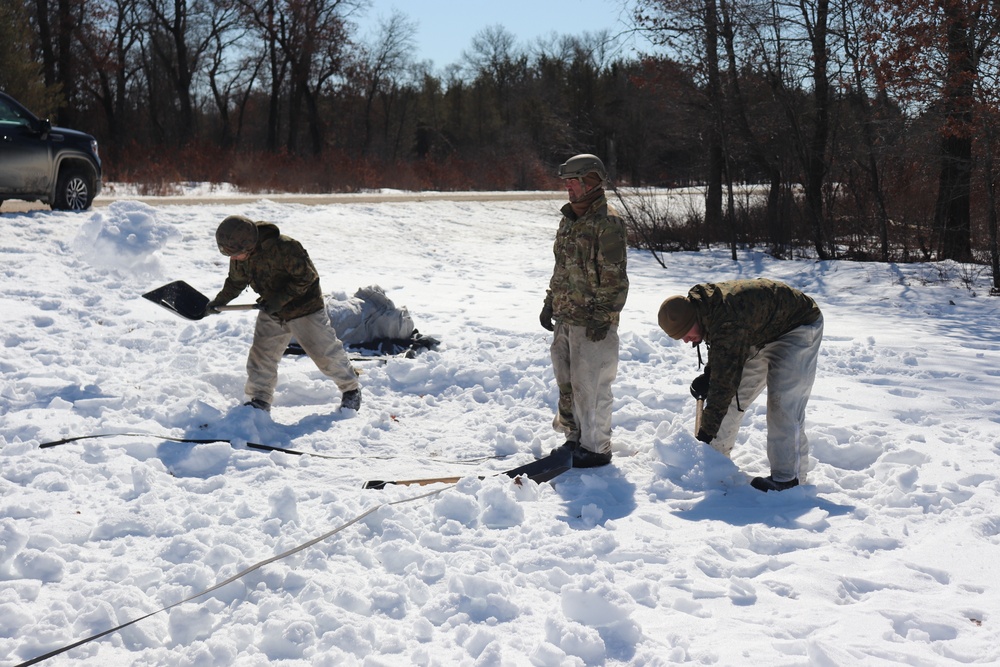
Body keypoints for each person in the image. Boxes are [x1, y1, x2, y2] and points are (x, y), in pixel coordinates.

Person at [657, 278, 823, 492]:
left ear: (694, 319)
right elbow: (724, 354)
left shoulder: (727, 321)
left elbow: (724, 382)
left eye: (686, 333)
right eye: (680, 338)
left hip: (798, 326)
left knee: (783, 404)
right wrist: (710, 375)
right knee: (736, 398)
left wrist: (705, 433)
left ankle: (788, 480)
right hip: (759, 331)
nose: (686, 341)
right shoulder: (707, 311)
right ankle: (714, 462)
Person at [205, 215, 361, 413]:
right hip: (272, 311)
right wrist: (219, 302)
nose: (232, 258)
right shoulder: (238, 253)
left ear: (250, 245)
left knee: (324, 353)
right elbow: (236, 281)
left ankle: (351, 389)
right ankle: (259, 399)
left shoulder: (286, 248)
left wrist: (277, 301)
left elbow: (307, 278)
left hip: (304, 308)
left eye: (235, 254)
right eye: (229, 254)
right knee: (261, 356)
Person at [539, 154, 629, 468]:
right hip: (566, 317)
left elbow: (615, 278)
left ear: (591, 181)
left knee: (592, 386)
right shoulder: (569, 220)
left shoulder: (608, 222)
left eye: (573, 182)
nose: (568, 187)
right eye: (566, 182)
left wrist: (602, 317)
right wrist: (550, 301)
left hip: (593, 322)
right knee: (567, 384)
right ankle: (574, 438)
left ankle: (596, 448)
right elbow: (561, 268)